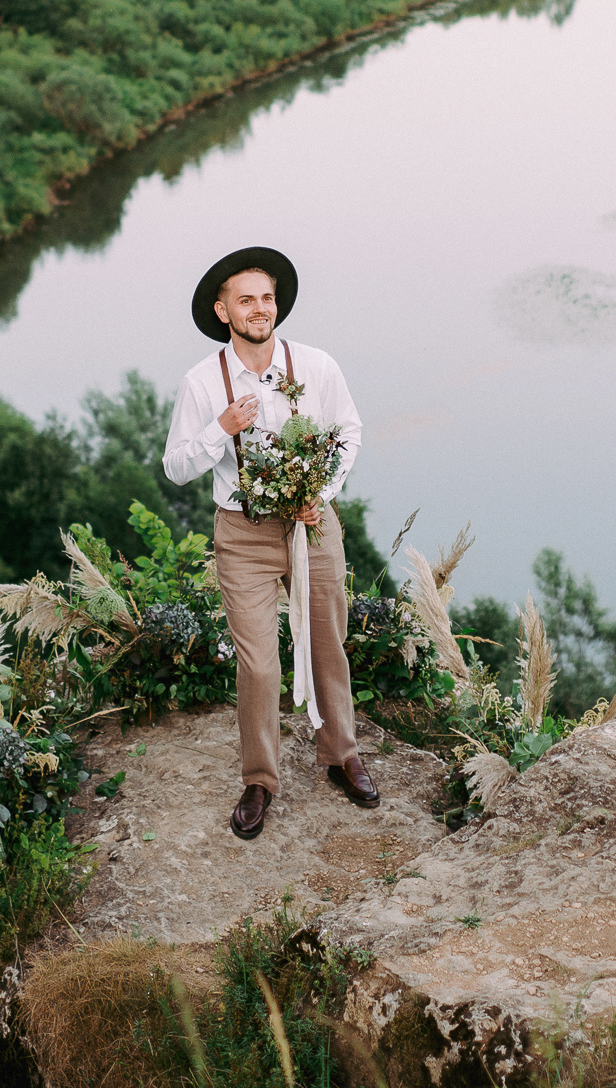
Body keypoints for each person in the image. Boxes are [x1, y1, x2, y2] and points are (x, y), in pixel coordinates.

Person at [161, 246, 375, 841]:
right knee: (258, 662)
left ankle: (341, 755)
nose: (261, 309)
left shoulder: (316, 365)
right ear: (222, 310)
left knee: (329, 642)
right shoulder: (201, 382)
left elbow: (349, 430)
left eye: (268, 298)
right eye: (247, 299)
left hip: (313, 524)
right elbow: (176, 466)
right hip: (243, 534)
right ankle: (260, 780)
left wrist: (323, 489)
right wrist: (219, 430)